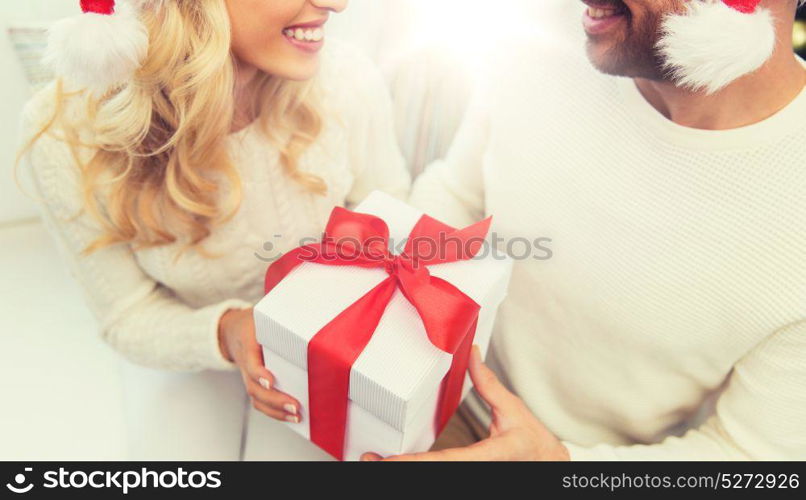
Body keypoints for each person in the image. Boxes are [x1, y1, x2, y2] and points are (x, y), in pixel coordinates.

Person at [363, 0, 806, 460]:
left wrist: (554, 463)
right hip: (435, 396)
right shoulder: (544, 37)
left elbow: (748, 455)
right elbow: (458, 192)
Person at [18, 0, 410, 460]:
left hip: (322, 337)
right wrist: (226, 332)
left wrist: (350, 278)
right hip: (188, 343)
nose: (336, 4)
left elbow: (389, 201)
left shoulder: (345, 78)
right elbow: (127, 314)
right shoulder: (67, 133)